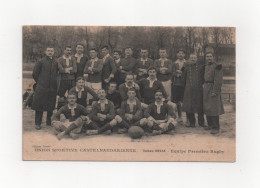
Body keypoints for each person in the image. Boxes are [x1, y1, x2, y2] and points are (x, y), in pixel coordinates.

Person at [31, 46, 59, 130]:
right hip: (42, 87)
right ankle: (37, 123)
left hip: (52, 87)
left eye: (52, 51)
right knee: (39, 105)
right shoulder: (41, 61)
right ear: (45, 52)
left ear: (54, 52)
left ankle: (49, 121)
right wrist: (40, 82)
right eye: (48, 51)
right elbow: (34, 74)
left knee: (50, 105)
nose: (50, 52)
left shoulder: (55, 62)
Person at [203, 52, 224, 134]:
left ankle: (216, 127)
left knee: (214, 108)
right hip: (206, 88)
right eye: (207, 56)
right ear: (205, 58)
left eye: (210, 56)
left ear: (213, 57)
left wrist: (215, 91)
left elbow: (218, 81)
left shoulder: (217, 66)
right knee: (207, 107)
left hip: (213, 88)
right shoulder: (206, 66)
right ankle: (210, 125)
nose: (209, 58)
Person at [182, 53, 205, 127]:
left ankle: (201, 123)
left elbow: (203, 78)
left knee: (200, 106)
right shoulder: (186, 68)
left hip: (198, 89)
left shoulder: (200, 67)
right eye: (191, 58)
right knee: (189, 106)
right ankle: (192, 123)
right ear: (189, 59)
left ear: (197, 59)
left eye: (194, 58)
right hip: (188, 89)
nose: (193, 59)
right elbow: (183, 79)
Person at [172, 49, 186, 123]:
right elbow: (172, 73)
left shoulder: (186, 63)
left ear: (184, 55)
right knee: (177, 101)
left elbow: (187, 73)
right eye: (179, 53)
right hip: (176, 84)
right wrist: (177, 74)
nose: (180, 55)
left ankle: (187, 118)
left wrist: (181, 74)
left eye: (182, 53)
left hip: (184, 84)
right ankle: (179, 117)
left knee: (185, 101)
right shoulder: (174, 63)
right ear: (177, 55)